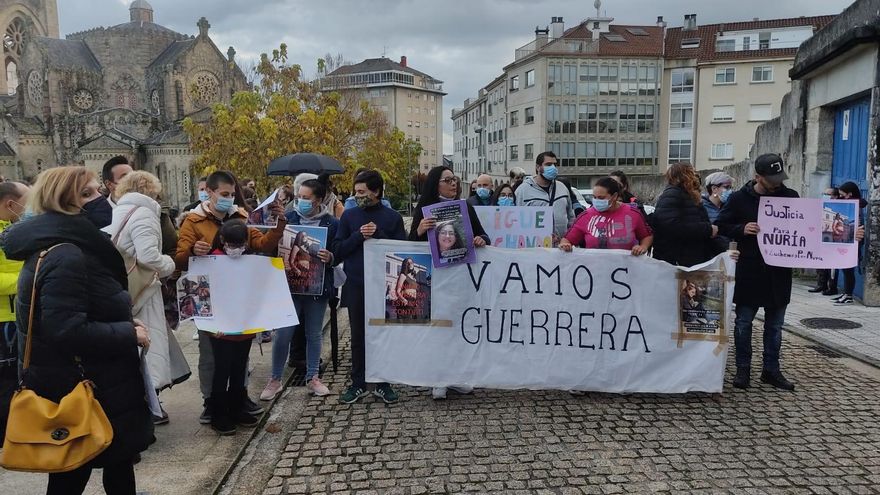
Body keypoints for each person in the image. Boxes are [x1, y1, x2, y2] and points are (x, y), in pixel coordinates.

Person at [1, 166, 153, 494]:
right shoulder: (65, 253)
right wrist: (127, 334)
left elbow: (87, 304)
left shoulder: (75, 244)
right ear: (63, 202)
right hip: (80, 383)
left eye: (98, 191)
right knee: (72, 468)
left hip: (101, 380)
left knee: (116, 462)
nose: (100, 199)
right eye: (87, 194)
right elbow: (66, 329)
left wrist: (124, 323)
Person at [176, 170, 286, 423]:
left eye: (232, 194)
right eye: (224, 194)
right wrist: (193, 250)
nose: (229, 198)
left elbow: (262, 244)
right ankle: (212, 402)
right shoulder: (193, 221)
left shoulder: (241, 216)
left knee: (238, 355)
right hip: (211, 299)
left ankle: (239, 398)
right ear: (210, 192)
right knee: (211, 355)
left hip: (238, 297)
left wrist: (279, 225)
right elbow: (179, 258)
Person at [103, 171, 190, 425]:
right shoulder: (144, 213)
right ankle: (148, 405)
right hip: (143, 289)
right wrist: (170, 264)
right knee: (149, 346)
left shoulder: (121, 210)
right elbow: (149, 256)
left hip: (129, 287)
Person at [716, 153, 800, 391]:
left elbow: (806, 230)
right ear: (757, 177)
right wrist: (742, 229)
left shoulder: (791, 197)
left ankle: (771, 370)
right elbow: (721, 226)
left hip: (779, 272)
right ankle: (743, 369)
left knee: (775, 326)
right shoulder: (738, 199)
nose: (777, 182)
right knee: (743, 323)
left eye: (779, 177)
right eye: (772, 178)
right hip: (750, 271)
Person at [409, 165, 488, 399]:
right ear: (436, 184)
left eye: (455, 179)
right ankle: (438, 378)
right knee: (438, 328)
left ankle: (456, 376)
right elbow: (409, 244)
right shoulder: (423, 211)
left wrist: (480, 239)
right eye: (447, 180)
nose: (453, 183)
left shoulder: (465, 209)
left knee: (456, 328)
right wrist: (421, 230)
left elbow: (484, 235)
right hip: (434, 278)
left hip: (459, 277)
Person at [261, 178, 337, 401]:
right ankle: (275, 378)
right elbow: (271, 245)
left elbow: (338, 250)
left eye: (307, 198)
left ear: (319, 199)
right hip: (289, 287)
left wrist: (331, 257)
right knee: (283, 334)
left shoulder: (331, 223)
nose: (301, 202)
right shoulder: (288, 218)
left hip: (316, 288)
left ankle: (313, 377)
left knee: (313, 333)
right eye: (299, 197)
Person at [335, 170, 406, 404]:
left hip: (385, 286)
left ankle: (383, 382)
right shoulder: (349, 216)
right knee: (358, 336)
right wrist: (358, 236)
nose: (357, 196)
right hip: (356, 284)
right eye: (356, 192)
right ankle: (358, 382)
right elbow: (338, 251)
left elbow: (402, 251)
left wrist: (379, 235)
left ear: (375, 192)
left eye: (361, 192)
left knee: (383, 334)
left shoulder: (392, 217)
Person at [204, 219, 260, 435]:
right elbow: (202, 296)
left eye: (240, 245)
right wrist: (210, 325)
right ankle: (219, 414)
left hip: (243, 327)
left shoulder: (249, 260)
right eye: (232, 244)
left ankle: (237, 408)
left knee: (239, 368)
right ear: (222, 240)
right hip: (221, 330)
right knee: (222, 370)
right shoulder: (211, 261)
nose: (236, 249)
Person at [0, 181, 28, 441]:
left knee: (14, 378)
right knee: (5, 380)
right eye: (25, 203)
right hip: (3, 319)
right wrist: (27, 280)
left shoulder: (11, 230)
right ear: (11, 204)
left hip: (14, 315)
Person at [651, 163, 722, 267]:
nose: (696, 176)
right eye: (693, 173)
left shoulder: (688, 195)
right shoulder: (672, 195)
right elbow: (672, 226)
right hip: (677, 260)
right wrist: (707, 229)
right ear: (685, 175)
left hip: (690, 257)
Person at [559, 177, 653, 255]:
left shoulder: (633, 214)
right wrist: (565, 245)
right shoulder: (586, 216)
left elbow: (646, 236)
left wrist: (642, 247)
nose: (596, 200)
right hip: (594, 272)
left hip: (625, 272)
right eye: (594, 197)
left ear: (615, 196)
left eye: (601, 198)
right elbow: (567, 240)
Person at [515, 151, 575, 241]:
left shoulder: (562, 188)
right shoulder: (523, 190)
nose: (553, 168)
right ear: (538, 167)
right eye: (548, 164)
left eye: (555, 164)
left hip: (560, 247)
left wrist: (568, 238)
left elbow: (571, 217)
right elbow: (516, 219)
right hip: (535, 247)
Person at [831, 182, 868, 305]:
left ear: (849, 195)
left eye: (842, 195)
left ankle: (848, 295)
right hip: (846, 241)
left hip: (854, 242)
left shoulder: (857, 206)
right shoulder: (850, 205)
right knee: (844, 268)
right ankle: (846, 292)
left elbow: (858, 225)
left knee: (848, 269)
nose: (840, 197)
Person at [811, 187, 841, 294]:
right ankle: (821, 285)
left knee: (832, 265)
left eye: (828, 194)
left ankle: (832, 287)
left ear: (835, 196)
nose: (825, 195)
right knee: (820, 262)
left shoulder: (839, 208)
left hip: (833, 239)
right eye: (824, 193)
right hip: (821, 236)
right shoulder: (821, 205)